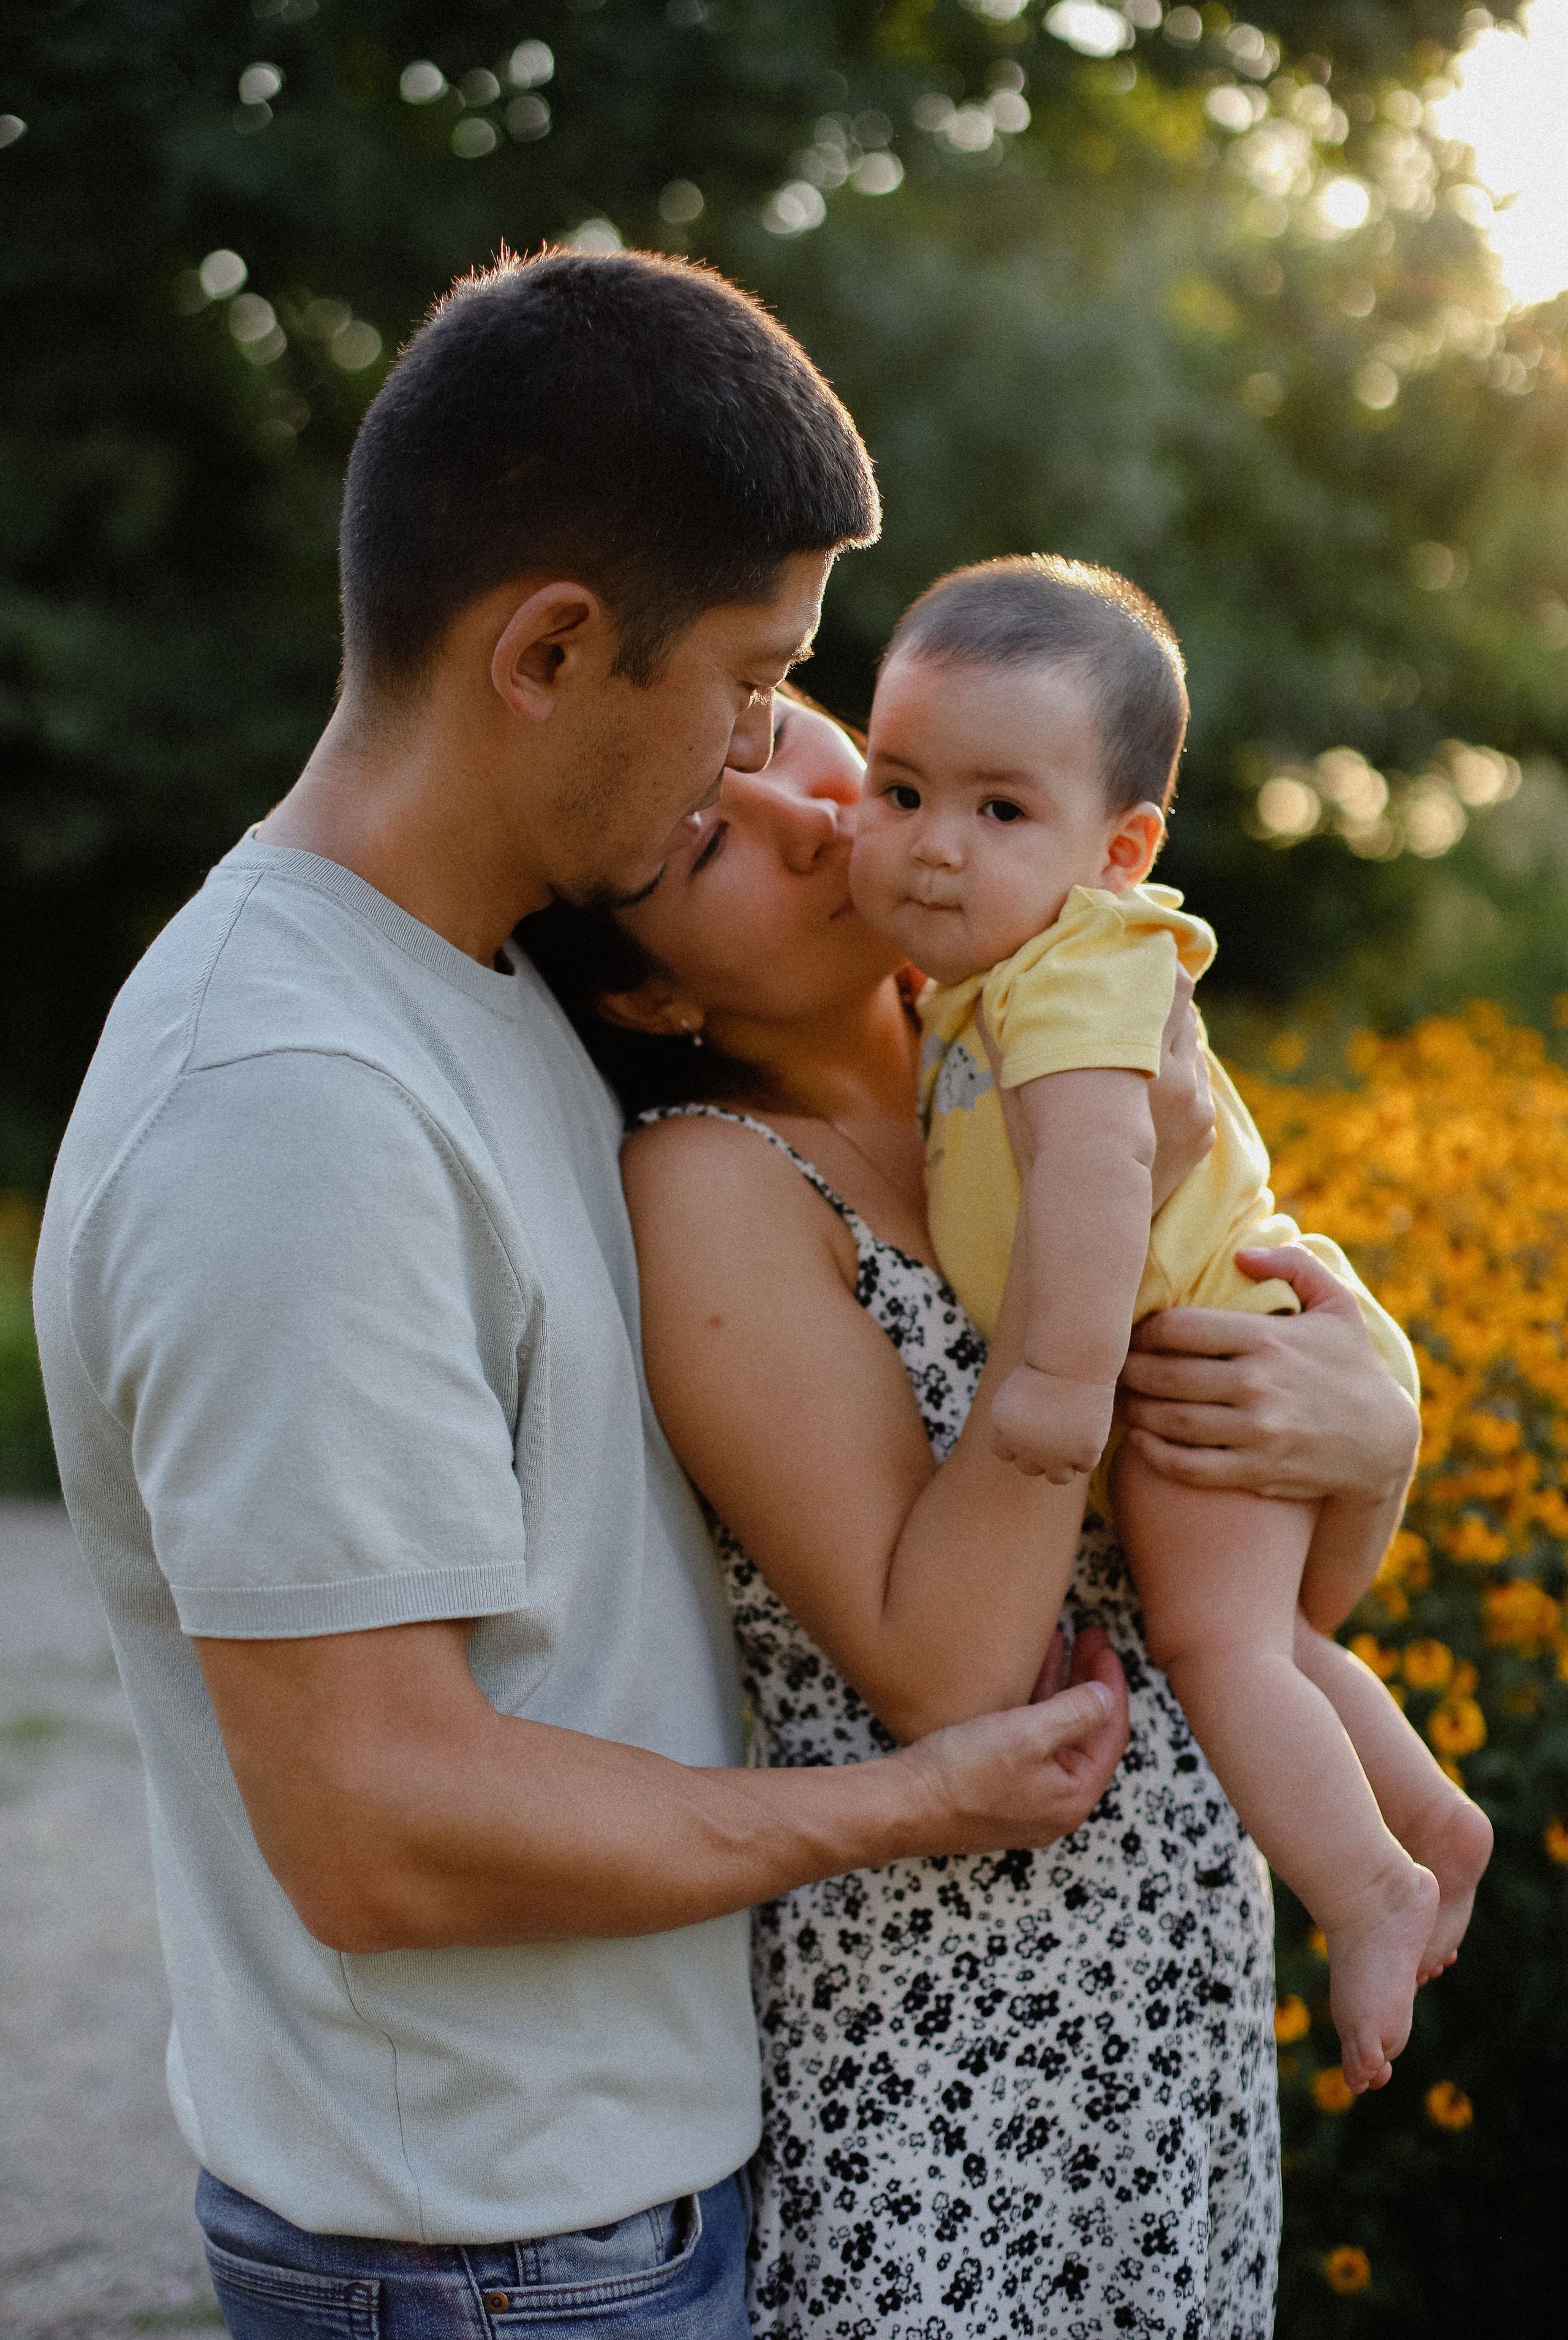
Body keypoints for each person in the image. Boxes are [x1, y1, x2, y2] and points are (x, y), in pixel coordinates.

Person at [32, 253, 1141, 2340]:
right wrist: (914, 1803)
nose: (778, 765)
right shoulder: (291, 1103)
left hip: (583, 2219)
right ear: (548, 648)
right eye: (749, 679)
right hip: (485, 2259)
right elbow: (381, 1822)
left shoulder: (468, 989)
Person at [520, 687, 1425, 2338]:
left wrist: (1375, 1443)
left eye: (788, 729)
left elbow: (1268, 1609)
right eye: (713, 838)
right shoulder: (718, 1184)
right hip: (942, 2027)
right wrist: (1097, 1257)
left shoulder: (1036, 1021)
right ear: (649, 989)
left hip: (1169, 1977)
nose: (813, 813)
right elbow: (948, 1672)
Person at [845, 553, 1493, 2096]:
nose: (933, 849)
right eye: (896, 790)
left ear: (1117, 849)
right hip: (1203, 1341)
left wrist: (1053, 1400)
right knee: (1254, 1637)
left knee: (1213, 1643)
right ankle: (1434, 1820)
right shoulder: (982, 971)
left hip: (1188, 1352)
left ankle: (1367, 1888)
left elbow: (1095, 1167)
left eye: (1000, 811)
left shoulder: (1078, 966)